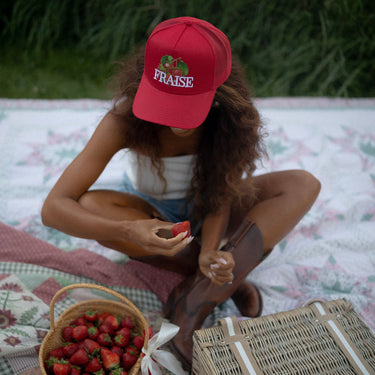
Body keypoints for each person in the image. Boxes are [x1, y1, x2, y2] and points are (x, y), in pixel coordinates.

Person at [41, 16, 321, 369]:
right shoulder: (123, 120)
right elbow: (53, 208)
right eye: (164, 99)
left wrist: (209, 249)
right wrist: (128, 230)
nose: (173, 117)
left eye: (186, 102)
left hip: (210, 209)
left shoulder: (229, 121)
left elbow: (220, 195)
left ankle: (197, 299)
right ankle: (227, 281)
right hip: (151, 215)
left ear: (220, 93)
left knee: (302, 184)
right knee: (91, 205)